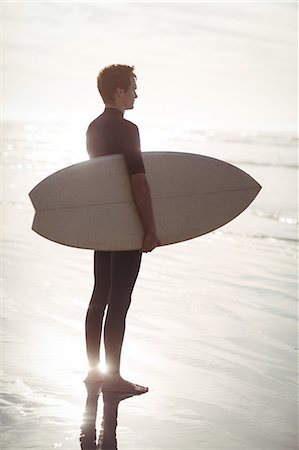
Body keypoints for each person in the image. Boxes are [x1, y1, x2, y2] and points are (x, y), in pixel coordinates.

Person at [84, 64, 160, 394]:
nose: (136, 94)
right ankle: (113, 378)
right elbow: (138, 182)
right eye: (132, 88)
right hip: (127, 225)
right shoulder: (128, 130)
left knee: (99, 296)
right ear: (118, 91)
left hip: (104, 226)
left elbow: (100, 181)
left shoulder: (92, 128)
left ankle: (94, 372)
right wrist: (150, 228)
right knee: (119, 301)